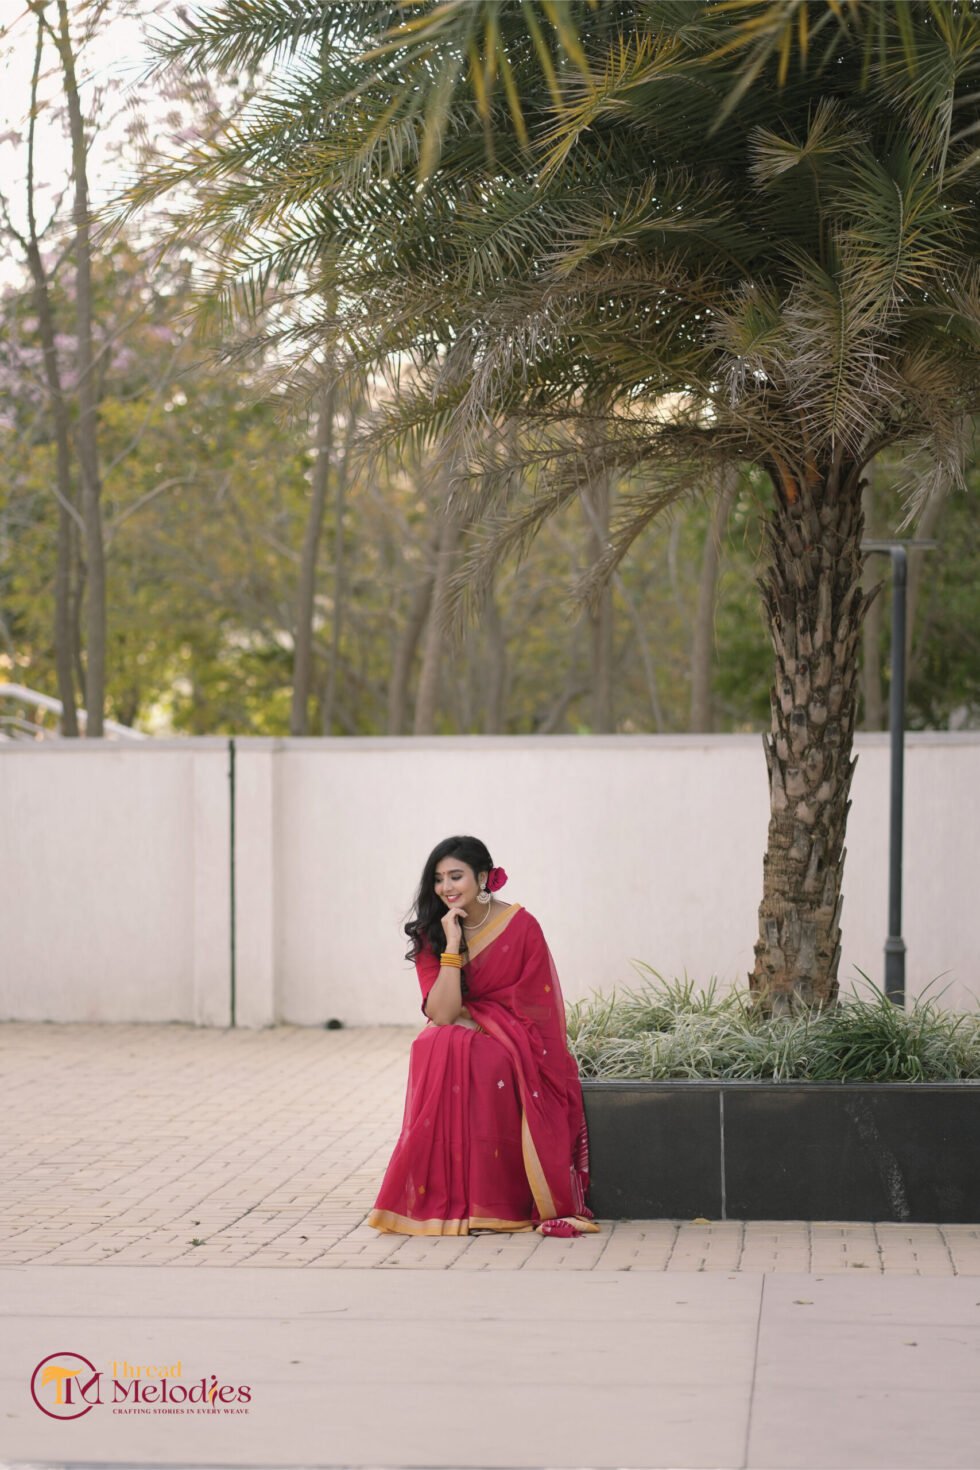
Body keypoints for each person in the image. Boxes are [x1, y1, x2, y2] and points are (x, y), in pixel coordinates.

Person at [367, 835, 600, 1238]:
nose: (446, 887)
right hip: (459, 1028)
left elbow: (537, 1008)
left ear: (482, 877)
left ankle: (492, 1201)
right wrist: (452, 945)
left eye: (455, 876)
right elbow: (442, 1013)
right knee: (434, 1042)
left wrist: (485, 1023)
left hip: (515, 1037)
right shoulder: (433, 931)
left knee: (480, 1056)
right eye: (438, 878)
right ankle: (447, 1197)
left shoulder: (521, 927)